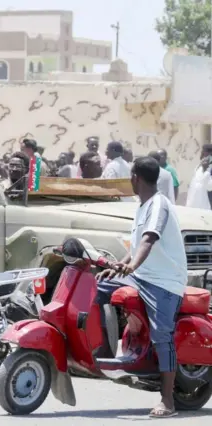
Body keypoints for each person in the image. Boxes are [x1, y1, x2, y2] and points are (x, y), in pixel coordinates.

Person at [95, 156, 186, 418]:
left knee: (162, 335)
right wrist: (119, 266)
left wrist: (132, 267)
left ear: (135, 177)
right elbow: (136, 246)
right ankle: (103, 353)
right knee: (98, 288)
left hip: (164, 281)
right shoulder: (143, 205)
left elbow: (149, 239)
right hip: (142, 275)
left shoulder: (159, 205)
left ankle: (167, 400)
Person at [186, 144, 212, 210]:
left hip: (205, 199)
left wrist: (205, 170)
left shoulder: (209, 167)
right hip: (194, 197)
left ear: (209, 153)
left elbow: (209, 186)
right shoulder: (201, 164)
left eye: (203, 151)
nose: (202, 152)